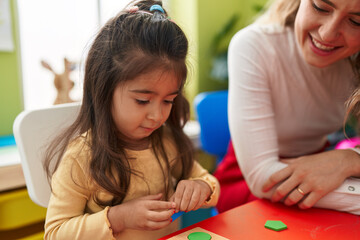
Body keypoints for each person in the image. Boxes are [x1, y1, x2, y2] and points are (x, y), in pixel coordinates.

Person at [43, 1, 220, 239]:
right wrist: (118, 218)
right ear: (104, 89)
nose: (157, 116)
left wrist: (202, 187)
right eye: (142, 101)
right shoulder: (82, 155)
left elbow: (210, 183)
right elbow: (54, 233)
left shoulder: (165, 140)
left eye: (168, 101)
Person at [215, 0, 360, 214]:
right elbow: (262, 176)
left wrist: (350, 160)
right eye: (320, 7)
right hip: (252, 184)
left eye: (356, 21)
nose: (328, 34)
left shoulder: (354, 63)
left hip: (319, 174)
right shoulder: (255, 45)